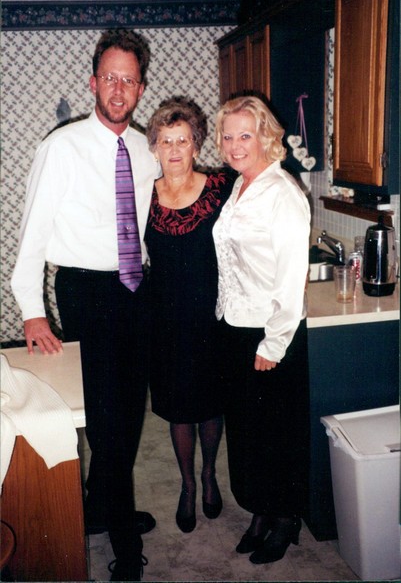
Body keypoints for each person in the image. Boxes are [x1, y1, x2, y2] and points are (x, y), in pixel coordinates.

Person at [11, 29, 161, 582]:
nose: (119, 89)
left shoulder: (147, 150)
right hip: (86, 293)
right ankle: (124, 542)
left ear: (140, 88)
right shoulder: (61, 147)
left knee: (129, 410)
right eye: (110, 78)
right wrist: (32, 310)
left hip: (137, 290)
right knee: (106, 420)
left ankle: (101, 506)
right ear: (93, 82)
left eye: (129, 80)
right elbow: (32, 235)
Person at [212, 95, 311, 564]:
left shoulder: (282, 193)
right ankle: (260, 510)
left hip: (270, 333)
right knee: (248, 433)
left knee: (277, 433)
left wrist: (274, 343)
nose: (235, 145)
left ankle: (286, 517)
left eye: (245, 135)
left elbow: (291, 278)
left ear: (266, 136)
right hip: (235, 324)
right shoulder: (240, 185)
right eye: (228, 136)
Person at [144, 96, 234, 533]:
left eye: (183, 140)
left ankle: (209, 473)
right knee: (179, 410)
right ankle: (187, 485)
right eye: (166, 141)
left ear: (196, 145)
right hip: (164, 321)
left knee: (211, 406)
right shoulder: (143, 196)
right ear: (155, 148)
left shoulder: (221, 187)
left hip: (210, 319)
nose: (175, 149)